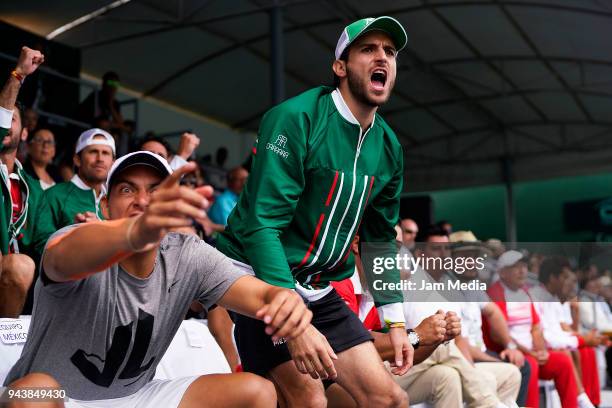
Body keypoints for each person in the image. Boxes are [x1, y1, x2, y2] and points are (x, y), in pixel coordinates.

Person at [4, 151, 318, 408]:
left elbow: (262, 297)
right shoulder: (76, 238)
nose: (142, 200)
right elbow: (62, 257)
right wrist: (134, 233)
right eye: (127, 189)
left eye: (155, 190)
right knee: (32, 393)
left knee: (257, 392)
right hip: (56, 397)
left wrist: (286, 304)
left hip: (136, 397)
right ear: (105, 206)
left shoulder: (188, 254)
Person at [217, 16, 411, 407]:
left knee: (389, 399)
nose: (383, 58)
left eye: (389, 52)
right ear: (340, 66)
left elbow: (378, 239)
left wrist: (396, 322)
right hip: (255, 274)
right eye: (368, 49)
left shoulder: (389, 147)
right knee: (311, 399)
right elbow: (261, 226)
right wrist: (293, 323)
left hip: (316, 285)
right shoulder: (295, 119)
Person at [330, 235, 462, 407]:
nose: (392, 255)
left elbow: (398, 354)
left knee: (445, 376)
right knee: (394, 398)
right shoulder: (340, 280)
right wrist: (418, 335)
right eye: (387, 245)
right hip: (327, 377)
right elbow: (350, 346)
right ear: (356, 244)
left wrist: (438, 337)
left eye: (396, 248)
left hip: (358, 371)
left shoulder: (377, 288)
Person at [402, 226, 516, 408]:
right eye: (436, 249)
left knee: (511, 373)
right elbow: (414, 339)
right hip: (412, 362)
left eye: (446, 249)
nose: (443, 254)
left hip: (448, 363)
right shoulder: (408, 285)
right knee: (441, 347)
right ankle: (490, 404)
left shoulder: (450, 286)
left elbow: (460, 339)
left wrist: (470, 371)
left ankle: (486, 397)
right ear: (420, 254)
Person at [486, 250, 581, 408]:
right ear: (502, 273)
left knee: (563, 361)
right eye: (516, 267)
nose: (522, 270)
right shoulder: (495, 293)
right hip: (508, 352)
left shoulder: (525, 293)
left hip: (531, 352)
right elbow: (499, 335)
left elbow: (536, 327)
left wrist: (541, 350)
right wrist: (532, 353)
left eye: (524, 266)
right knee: (530, 363)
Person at [0, 46, 45, 317]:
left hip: (15, 279)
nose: (6, 126)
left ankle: (5, 342)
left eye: (12, 119)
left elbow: (44, 242)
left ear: (24, 132)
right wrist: (18, 75)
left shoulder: (32, 187)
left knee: (23, 265)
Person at [529, 256, 601, 407]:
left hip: (550, 343)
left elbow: (559, 330)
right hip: (536, 347)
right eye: (564, 277)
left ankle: (589, 399)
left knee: (585, 349)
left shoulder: (552, 297)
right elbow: (546, 336)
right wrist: (580, 340)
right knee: (568, 352)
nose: (567, 282)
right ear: (552, 278)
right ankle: (581, 399)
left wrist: (582, 339)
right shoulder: (536, 296)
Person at [32, 128, 115, 257]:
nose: (100, 158)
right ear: (77, 159)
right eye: (93, 152)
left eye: (105, 153)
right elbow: (42, 245)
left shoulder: (116, 202)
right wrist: (74, 236)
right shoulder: (54, 195)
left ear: (113, 163)